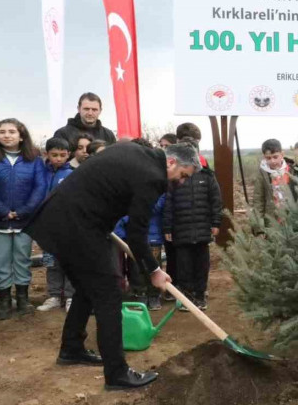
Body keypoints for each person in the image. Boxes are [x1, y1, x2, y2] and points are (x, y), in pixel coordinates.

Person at [25, 142, 197, 390]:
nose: (180, 182)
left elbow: (106, 190)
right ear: (171, 162)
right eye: (182, 176)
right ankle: (117, 374)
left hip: (58, 220)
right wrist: (154, 271)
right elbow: (137, 235)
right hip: (78, 227)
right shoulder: (153, 177)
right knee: (108, 295)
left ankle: (71, 348)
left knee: (86, 289)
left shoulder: (134, 151)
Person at [0, 119, 47, 320]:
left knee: (22, 259)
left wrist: (24, 211)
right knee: (0, 261)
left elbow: (40, 187)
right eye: (2, 132)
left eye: (12, 132)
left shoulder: (34, 159)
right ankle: (5, 301)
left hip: (25, 221)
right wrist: (2, 210)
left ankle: (23, 299)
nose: (7, 135)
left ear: (21, 135)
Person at [163, 144, 222, 311]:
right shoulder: (174, 178)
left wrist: (216, 222)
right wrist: (167, 227)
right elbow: (168, 203)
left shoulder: (207, 177)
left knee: (202, 265)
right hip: (180, 229)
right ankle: (186, 297)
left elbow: (215, 200)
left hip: (202, 229)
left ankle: (200, 295)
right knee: (183, 266)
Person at [36, 137, 75, 313]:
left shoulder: (72, 173)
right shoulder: (40, 172)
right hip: (45, 226)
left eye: (62, 155)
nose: (58, 158)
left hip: (66, 226)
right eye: (54, 155)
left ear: (68, 155)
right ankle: (53, 295)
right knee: (51, 262)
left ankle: (70, 296)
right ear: (47, 154)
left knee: (69, 262)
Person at [252, 139, 298, 224]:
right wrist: (259, 228)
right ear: (264, 157)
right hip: (272, 222)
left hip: (293, 221)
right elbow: (258, 200)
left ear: (282, 154)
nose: (272, 161)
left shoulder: (293, 170)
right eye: (268, 158)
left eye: (275, 157)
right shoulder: (263, 173)